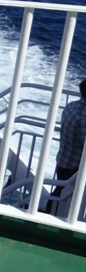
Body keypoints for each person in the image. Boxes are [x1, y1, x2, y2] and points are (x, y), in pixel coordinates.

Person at [49, 79, 86, 212]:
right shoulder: (84, 118)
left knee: (60, 192)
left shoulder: (71, 106)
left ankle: (50, 212)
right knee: (63, 195)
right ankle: (50, 214)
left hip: (63, 160)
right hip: (74, 167)